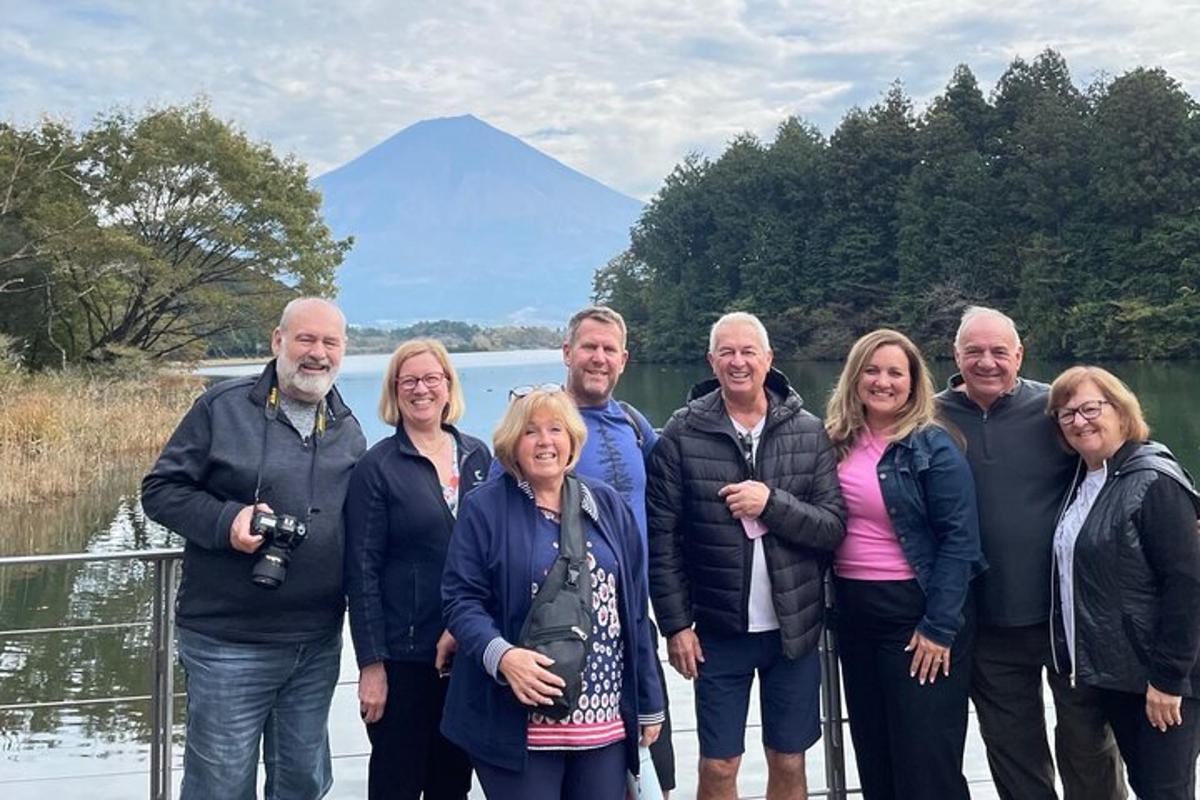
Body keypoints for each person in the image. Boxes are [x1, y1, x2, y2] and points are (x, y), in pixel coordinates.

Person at [141, 297, 366, 800]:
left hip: (316, 643)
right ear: (277, 341)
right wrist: (227, 521)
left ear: (343, 350)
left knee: (303, 783)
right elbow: (160, 491)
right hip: (227, 643)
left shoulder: (347, 426)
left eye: (330, 342)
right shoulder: (222, 407)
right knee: (219, 787)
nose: (318, 354)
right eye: (306, 339)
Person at [647, 312, 846, 800]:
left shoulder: (808, 430)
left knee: (789, 758)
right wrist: (676, 625)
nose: (739, 362)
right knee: (718, 765)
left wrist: (771, 505)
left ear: (769, 359)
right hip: (716, 631)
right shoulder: (681, 433)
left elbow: (832, 528)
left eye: (748, 351)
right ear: (711, 361)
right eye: (727, 353)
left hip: (793, 630)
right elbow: (662, 538)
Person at [935, 305, 1125, 800]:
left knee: (1088, 744)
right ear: (955, 355)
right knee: (1012, 751)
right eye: (974, 351)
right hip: (987, 620)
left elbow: (1123, 457)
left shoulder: (1054, 410)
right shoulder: (929, 417)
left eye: (1000, 351)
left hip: (1068, 616)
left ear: (1019, 354)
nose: (987, 362)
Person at [440, 388, 665, 799]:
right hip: (515, 724)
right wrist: (503, 657)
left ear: (573, 440)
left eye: (556, 429)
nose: (545, 441)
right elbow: (460, 601)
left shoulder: (608, 505)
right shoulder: (484, 508)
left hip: (604, 722)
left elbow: (633, 609)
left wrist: (649, 700)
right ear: (512, 444)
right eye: (531, 431)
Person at [824, 329, 984, 799]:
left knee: (926, 763)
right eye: (872, 370)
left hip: (917, 615)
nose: (883, 381)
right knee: (875, 757)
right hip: (855, 616)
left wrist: (939, 626)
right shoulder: (834, 441)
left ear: (914, 383)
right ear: (854, 378)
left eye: (896, 372)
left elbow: (961, 541)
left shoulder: (934, 446)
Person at [344, 339, 491, 799]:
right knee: (396, 783)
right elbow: (361, 570)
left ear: (448, 386)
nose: (421, 389)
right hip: (404, 659)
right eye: (409, 381)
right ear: (394, 391)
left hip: (466, 656)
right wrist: (371, 665)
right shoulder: (377, 467)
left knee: (452, 784)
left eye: (432, 378)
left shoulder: (477, 457)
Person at [1046, 366, 1200, 800]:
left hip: (1161, 678)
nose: (1080, 421)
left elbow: (1187, 585)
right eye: (1066, 414)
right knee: (1144, 784)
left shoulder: (1154, 480)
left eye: (1091, 408)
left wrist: (1169, 679)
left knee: (1165, 791)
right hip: (1113, 675)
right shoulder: (1083, 480)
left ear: (1121, 410)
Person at [560, 305, 675, 796]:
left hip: (635, 623)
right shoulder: (543, 423)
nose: (598, 358)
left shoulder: (632, 422)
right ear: (567, 352)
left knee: (655, 768)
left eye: (609, 349)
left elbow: (679, 481)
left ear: (624, 359)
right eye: (589, 347)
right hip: (566, 631)